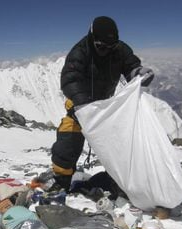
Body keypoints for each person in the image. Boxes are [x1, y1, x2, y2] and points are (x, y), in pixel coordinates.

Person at [50, 16, 154, 191]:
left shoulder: (120, 50)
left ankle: (119, 182)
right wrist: (83, 105)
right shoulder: (80, 52)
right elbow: (70, 79)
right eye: (101, 46)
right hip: (79, 108)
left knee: (120, 144)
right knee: (68, 143)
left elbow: (131, 66)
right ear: (92, 38)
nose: (105, 50)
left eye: (110, 47)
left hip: (106, 108)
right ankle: (61, 182)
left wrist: (138, 73)